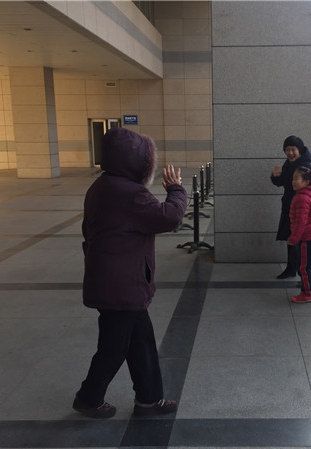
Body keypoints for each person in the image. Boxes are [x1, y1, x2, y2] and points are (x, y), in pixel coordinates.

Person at [73, 128, 187, 419]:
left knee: (141, 341)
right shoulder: (131, 193)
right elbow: (169, 217)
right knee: (113, 347)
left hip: (113, 280)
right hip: (121, 284)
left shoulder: (101, 186)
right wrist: (176, 190)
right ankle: (88, 398)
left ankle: (149, 399)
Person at [271, 136, 311, 279]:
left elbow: (309, 188)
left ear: (299, 150)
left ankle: (305, 272)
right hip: (289, 204)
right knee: (291, 237)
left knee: (299, 239)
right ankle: (291, 268)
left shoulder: (305, 166)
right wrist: (276, 176)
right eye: (287, 150)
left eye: (293, 149)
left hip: (301, 206)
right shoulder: (289, 163)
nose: (290, 153)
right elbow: (282, 183)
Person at [287, 166, 311, 303]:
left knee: (303, 267)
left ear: (306, 182)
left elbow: (301, 222)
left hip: (306, 237)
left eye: (296, 178)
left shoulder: (302, 197)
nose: (293, 181)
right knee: (306, 264)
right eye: (293, 178)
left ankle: (307, 294)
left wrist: (293, 239)